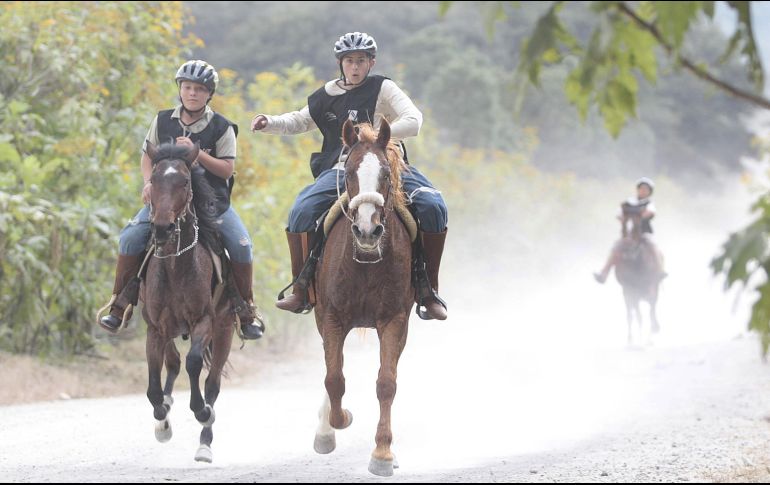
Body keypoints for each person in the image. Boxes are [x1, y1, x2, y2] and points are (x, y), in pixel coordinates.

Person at [251, 32, 448, 320]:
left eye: (361, 61)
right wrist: (269, 122)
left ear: (371, 62)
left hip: (387, 164)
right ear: (340, 64)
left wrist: (377, 136)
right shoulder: (326, 96)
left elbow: (414, 120)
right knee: (301, 211)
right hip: (342, 169)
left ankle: (428, 289)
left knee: (433, 206)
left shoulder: (384, 88)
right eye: (349, 61)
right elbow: (299, 120)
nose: (355, 67)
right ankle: (302, 287)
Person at [98, 60, 265, 339]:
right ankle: (119, 304)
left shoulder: (222, 126)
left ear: (209, 93)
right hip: (166, 201)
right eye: (187, 87)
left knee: (241, 245)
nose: (192, 93)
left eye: (199, 89)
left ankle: (246, 311)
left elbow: (227, 169)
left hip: (212, 204)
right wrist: (149, 183)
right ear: (180, 89)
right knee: (129, 238)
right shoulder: (163, 119)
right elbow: (147, 157)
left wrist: (198, 154)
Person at [594, 177, 665, 284]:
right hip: (630, 234)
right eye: (641, 189)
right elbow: (619, 214)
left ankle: (660, 271)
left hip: (644, 232)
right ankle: (604, 273)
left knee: (653, 246)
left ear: (649, 192)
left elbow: (650, 212)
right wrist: (624, 218)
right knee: (616, 247)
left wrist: (640, 216)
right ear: (638, 190)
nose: (643, 191)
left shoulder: (649, 204)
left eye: (646, 189)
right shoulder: (629, 202)